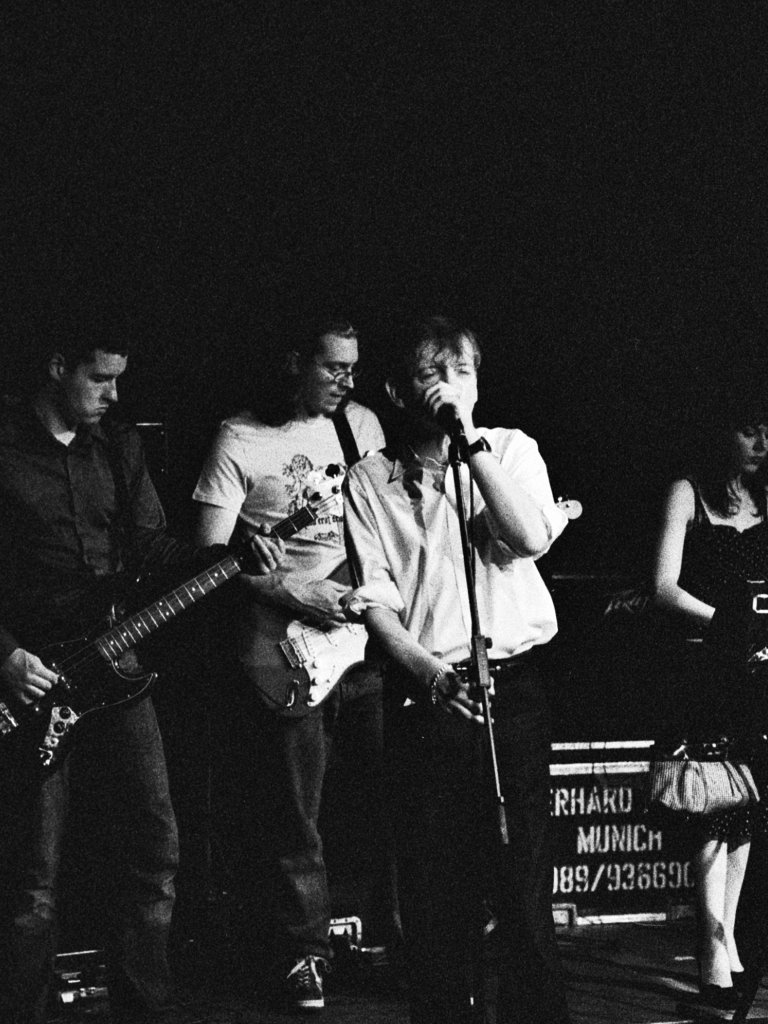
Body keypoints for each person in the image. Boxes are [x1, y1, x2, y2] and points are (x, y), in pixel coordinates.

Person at [0, 336, 282, 1024]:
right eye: (100, 379)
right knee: (32, 878)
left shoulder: (120, 447)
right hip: (33, 676)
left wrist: (228, 558)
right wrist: (5, 657)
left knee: (155, 850)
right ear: (57, 366)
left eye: (120, 379)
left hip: (117, 668)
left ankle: (145, 1009)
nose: (114, 395)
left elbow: (152, 547)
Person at [342, 315, 572, 1024]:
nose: (450, 387)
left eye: (462, 372)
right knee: (437, 904)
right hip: (429, 695)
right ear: (396, 390)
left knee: (522, 896)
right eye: (432, 374)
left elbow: (528, 536)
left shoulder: (511, 450)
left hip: (513, 691)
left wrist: (470, 445)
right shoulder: (369, 480)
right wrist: (431, 678)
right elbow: (376, 603)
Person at [192, 317, 390, 1012]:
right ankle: (303, 955)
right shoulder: (240, 437)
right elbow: (208, 557)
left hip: (363, 642)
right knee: (295, 815)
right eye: (333, 367)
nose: (347, 381)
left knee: (397, 795)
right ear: (294, 362)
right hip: (286, 646)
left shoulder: (361, 428)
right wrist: (290, 589)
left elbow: (384, 527)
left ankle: (400, 940)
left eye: (354, 367)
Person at [651, 394, 768, 1010]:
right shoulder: (688, 493)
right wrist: (728, 624)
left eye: (767, 431)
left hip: (753, 671)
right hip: (700, 665)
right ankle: (709, 948)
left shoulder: (766, 501)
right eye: (750, 430)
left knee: (744, 806)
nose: (762, 443)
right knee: (708, 804)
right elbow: (663, 585)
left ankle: (729, 942)